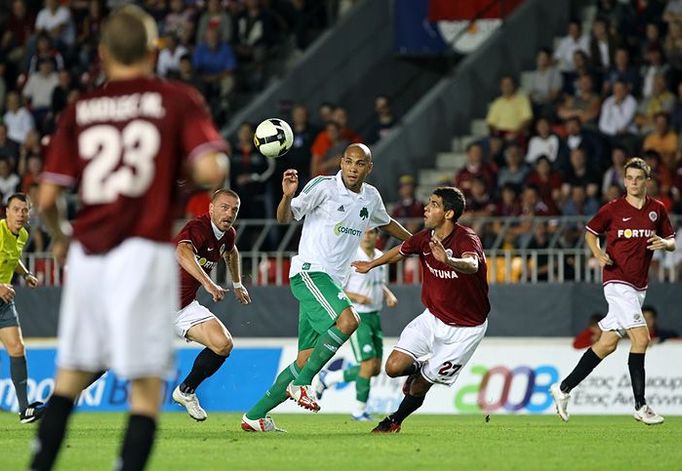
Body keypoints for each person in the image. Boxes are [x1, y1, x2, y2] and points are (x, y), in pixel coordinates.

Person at [30, 6, 229, 470]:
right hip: (141, 253)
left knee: (68, 376)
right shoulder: (175, 99)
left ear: (101, 54)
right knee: (143, 388)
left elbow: (45, 198)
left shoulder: (81, 109)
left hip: (88, 254)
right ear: (153, 50)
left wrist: (60, 237)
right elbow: (210, 169)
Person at [241, 143, 411, 432]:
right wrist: (286, 196)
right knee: (349, 320)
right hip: (310, 273)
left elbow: (387, 223)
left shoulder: (371, 197)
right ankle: (304, 383)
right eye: (348, 162)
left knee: (305, 359)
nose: (353, 168)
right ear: (341, 163)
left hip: (331, 281)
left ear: (369, 168)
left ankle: (254, 416)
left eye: (359, 164)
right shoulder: (322, 186)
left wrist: (418, 243)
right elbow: (284, 218)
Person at [352, 187, 489, 433]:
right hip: (433, 319)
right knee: (393, 368)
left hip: (466, 330)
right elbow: (401, 251)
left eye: (434, 204)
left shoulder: (466, 239)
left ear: (448, 213)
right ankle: (417, 367)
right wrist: (371, 264)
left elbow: (472, 264)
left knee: (420, 386)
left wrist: (449, 261)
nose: (426, 208)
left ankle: (394, 420)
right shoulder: (425, 237)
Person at [551, 157, 676, 426]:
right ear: (624, 180)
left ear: (647, 181)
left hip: (639, 285)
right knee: (641, 340)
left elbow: (673, 242)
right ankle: (641, 405)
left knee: (606, 344)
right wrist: (598, 253)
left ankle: (562, 389)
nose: (633, 182)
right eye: (629, 178)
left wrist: (664, 243)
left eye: (638, 178)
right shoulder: (613, 209)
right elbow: (590, 233)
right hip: (617, 282)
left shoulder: (658, 210)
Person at [172, 189, 251, 421]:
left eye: (234, 210)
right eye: (224, 207)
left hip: (183, 307)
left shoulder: (228, 234)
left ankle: (185, 391)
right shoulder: (197, 228)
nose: (229, 213)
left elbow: (232, 251)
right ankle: (69, 395)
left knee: (223, 344)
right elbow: (182, 251)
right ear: (211, 208)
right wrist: (208, 284)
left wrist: (237, 283)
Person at [313, 227, 398, 420]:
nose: (368, 236)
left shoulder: (379, 256)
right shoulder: (351, 257)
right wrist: (356, 296)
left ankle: (330, 378)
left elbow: (379, 283)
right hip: (357, 316)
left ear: (377, 236)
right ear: (359, 236)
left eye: (372, 232)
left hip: (375, 315)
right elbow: (335, 287)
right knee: (367, 364)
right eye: (365, 232)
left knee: (375, 369)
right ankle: (359, 411)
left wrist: (388, 294)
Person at [0, 193, 42, 423]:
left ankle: (24, 409)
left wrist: (26, 275)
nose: (20, 214)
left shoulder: (22, 234)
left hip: (3, 303)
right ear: (6, 211)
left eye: (24, 210)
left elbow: (12, 258)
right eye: (15, 209)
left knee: (17, 349)